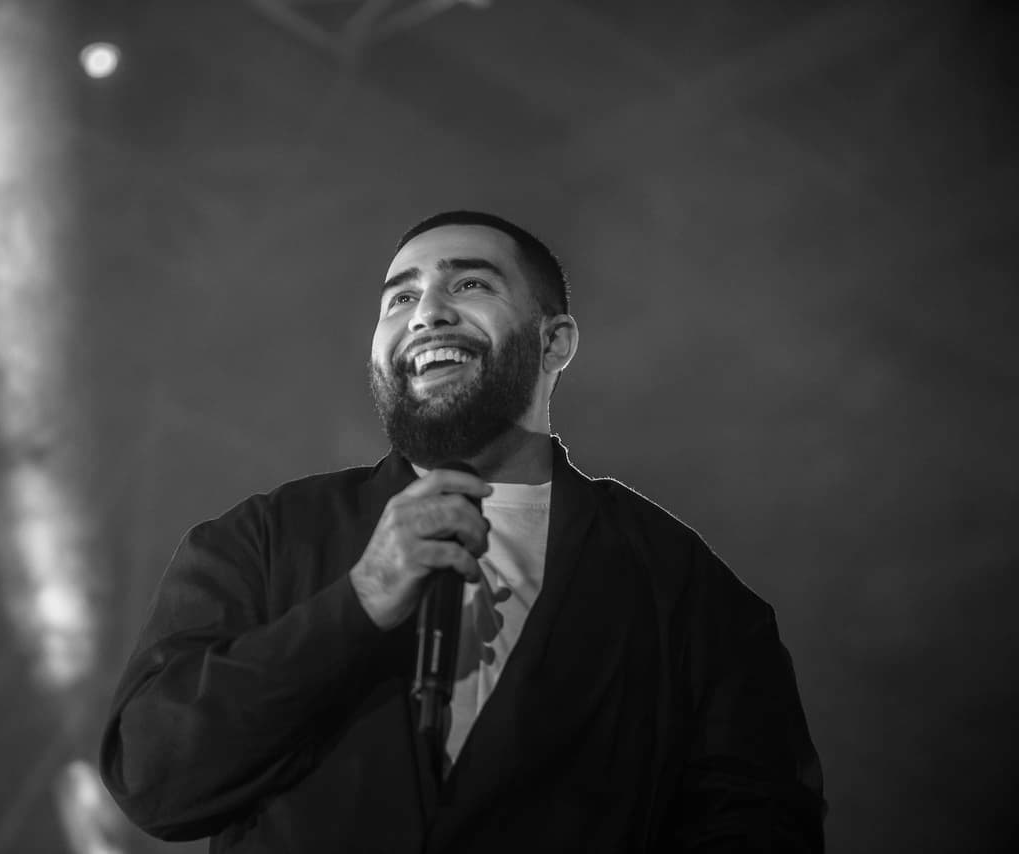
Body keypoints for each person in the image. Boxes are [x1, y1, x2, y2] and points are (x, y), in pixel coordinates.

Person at [99, 211, 826, 852]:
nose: (426, 315)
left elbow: (758, 823)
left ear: (555, 342)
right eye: (400, 298)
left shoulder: (678, 585)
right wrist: (357, 604)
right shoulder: (264, 539)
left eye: (470, 284)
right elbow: (151, 776)